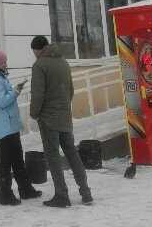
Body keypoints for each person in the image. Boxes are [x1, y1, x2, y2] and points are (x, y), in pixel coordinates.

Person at [29, 35, 92, 207]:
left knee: (53, 157)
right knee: (72, 153)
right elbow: (70, 89)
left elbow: (38, 94)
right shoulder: (63, 62)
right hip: (64, 116)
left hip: (48, 118)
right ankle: (86, 192)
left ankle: (62, 195)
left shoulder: (40, 65)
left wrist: (34, 113)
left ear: (38, 49)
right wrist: (62, 107)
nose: (34, 54)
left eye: (34, 51)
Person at [0, 49, 42, 206]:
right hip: (5, 126)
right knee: (6, 162)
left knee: (17, 160)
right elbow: (2, 101)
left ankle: (26, 190)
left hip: (10, 124)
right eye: (4, 62)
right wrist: (16, 91)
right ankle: (6, 196)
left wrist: (15, 89)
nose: (6, 64)